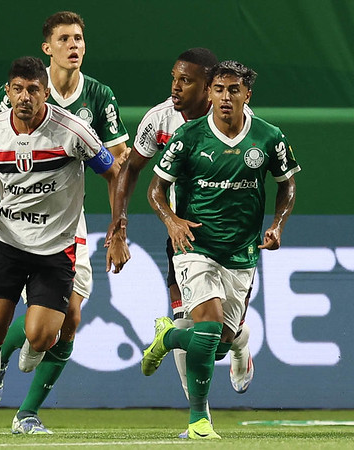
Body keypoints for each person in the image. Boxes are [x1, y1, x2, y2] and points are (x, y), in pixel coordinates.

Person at [0, 10, 130, 435]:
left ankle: (28, 394)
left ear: (45, 91)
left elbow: (116, 164)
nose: (74, 46)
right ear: (47, 48)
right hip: (11, 228)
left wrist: (118, 226)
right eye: (65, 38)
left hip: (67, 221)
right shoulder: (6, 109)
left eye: (79, 38)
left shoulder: (93, 102)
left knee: (66, 321)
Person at [142, 60, 299, 439]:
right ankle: (198, 422)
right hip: (195, 246)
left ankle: (168, 337)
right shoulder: (189, 136)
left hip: (242, 251)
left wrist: (277, 225)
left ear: (247, 95)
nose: (225, 97)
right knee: (208, 328)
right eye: (218, 89)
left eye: (233, 90)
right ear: (209, 93)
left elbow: (287, 184)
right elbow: (155, 189)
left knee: (219, 344)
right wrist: (172, 222)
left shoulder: (268, 137)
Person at [105, 48, 256, 437]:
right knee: (190, 322)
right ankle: (199, 417)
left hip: (233, 241)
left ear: (209, 88)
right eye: (174, 78)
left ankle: (238, 341)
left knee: (217, 341)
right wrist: (119, 227)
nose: (175, 87)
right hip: (185, 239)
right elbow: (130, 170)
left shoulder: (240, 121)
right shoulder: (159, 120)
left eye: (186, 81)